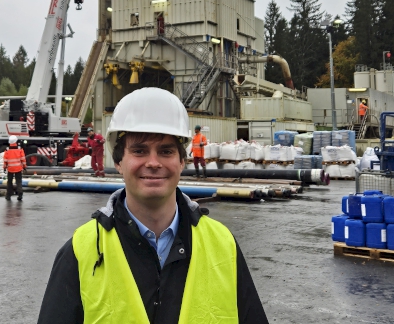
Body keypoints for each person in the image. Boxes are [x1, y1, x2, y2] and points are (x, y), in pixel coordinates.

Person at [37, 88, 268, 324]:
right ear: (118, 162)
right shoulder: (80, 252)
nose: (153, 163)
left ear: (181, 162)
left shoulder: (223, 246)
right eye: (139, 151)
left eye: (166, 151)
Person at [3, 135, 26, 201]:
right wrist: (24, 167)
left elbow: (5, 160)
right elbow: (23, 159)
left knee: (9, 182)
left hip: (10, 169)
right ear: (16, 141)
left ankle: (8, 195)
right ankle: (20, 193)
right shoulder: (20, 149)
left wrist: (4, 167)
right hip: (18, 168)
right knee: (18, 181)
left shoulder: (7, 150)